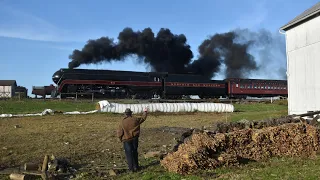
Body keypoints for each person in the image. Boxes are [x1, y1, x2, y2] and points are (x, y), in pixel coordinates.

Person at [117, 107, 148, 172]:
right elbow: (143, 118)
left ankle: (131, 169)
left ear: (125, 114)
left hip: (126, 140)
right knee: (135, 152)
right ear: (131, 113)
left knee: (129, 154)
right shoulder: (135, 119)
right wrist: (145, 111)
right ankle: (136, 167)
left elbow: (120, 132)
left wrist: (120, 139)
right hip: (135, 139)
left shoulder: (122, 122)